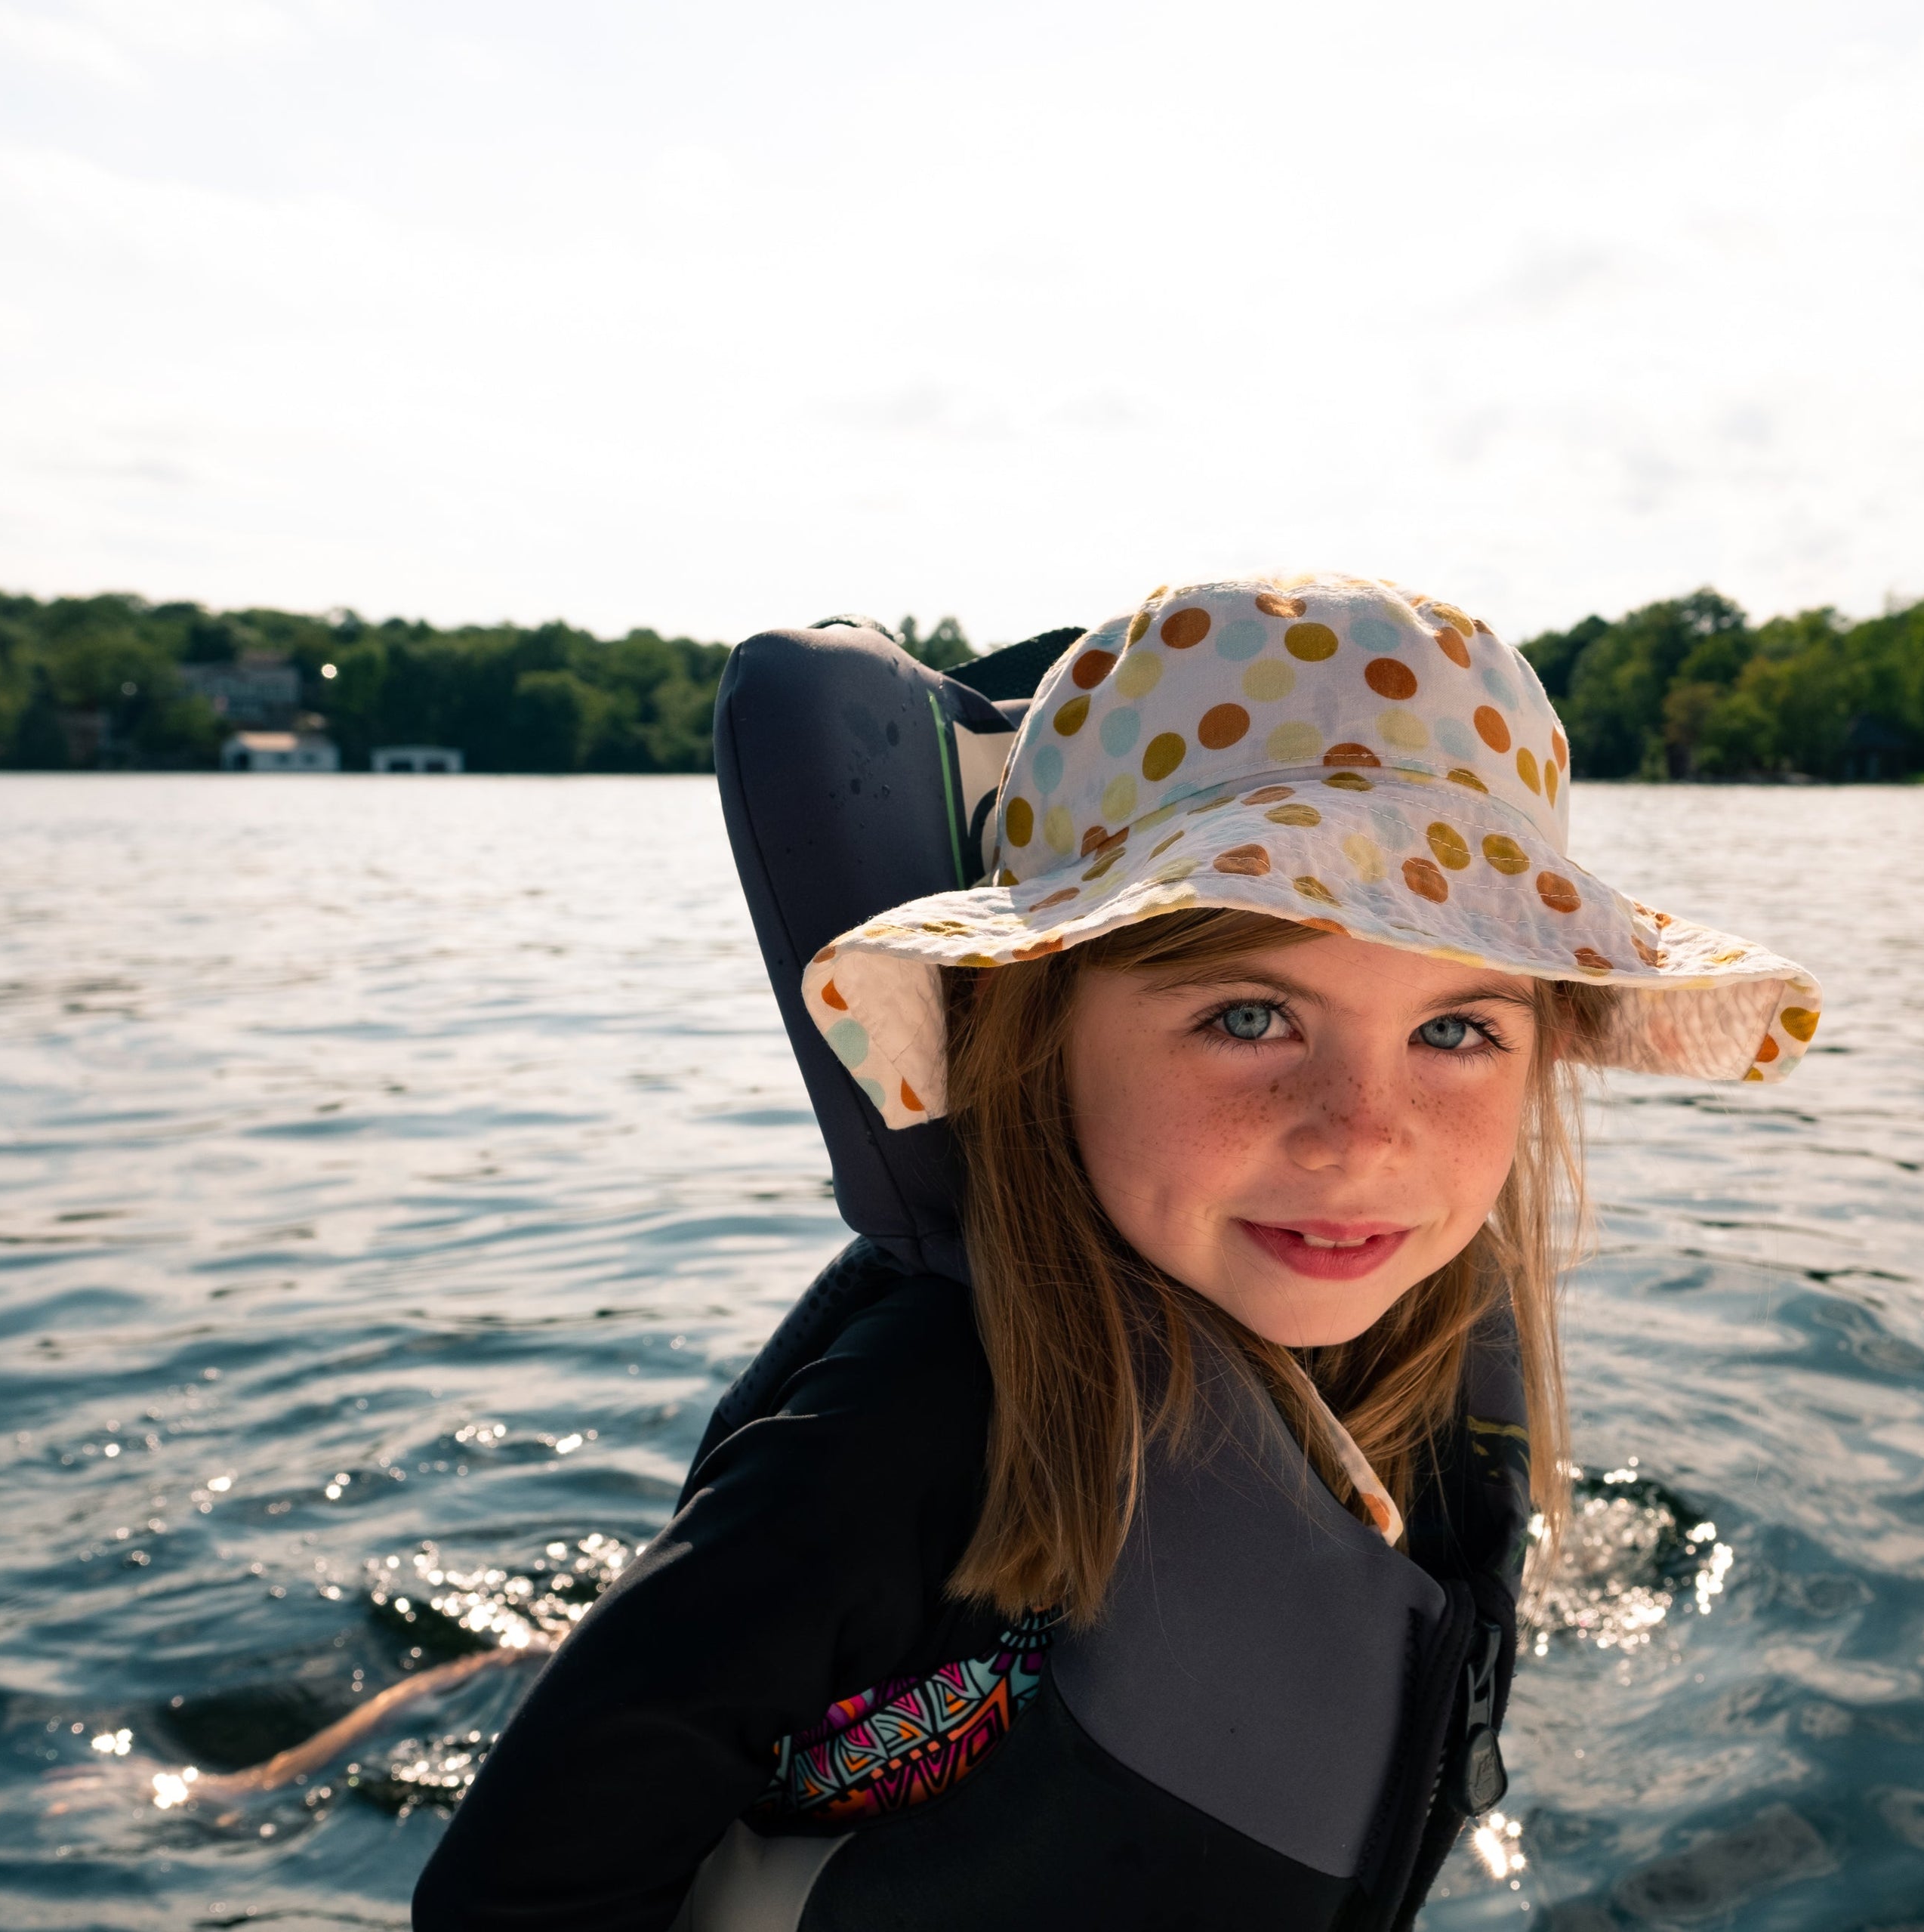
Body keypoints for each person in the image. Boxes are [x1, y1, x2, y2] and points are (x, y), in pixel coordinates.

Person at [412, 573, 1820, 1932]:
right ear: (1036, 1040)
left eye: (1456, 1030)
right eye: (1251, 1017)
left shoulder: (1431, 1346)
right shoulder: (892, 1440)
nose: (1362, 1138)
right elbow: (508, 1895)